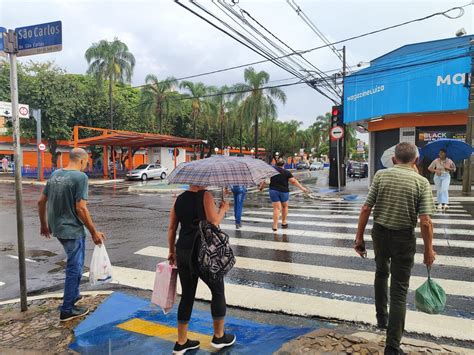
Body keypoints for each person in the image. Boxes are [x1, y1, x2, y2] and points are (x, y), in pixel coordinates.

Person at [354, 142, 436, 355]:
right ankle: (392, 346)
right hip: (403, 238)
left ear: (393, 159)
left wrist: (359, 238)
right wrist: (429, 250)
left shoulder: (381, 176)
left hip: (380, 234)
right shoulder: (421, 182)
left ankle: (382, 318)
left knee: (381, 273)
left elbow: (365, 208)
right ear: (416, 161)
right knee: (399, 290)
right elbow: (425, 221)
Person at [38, 148, 105, 322]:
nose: (86, 166)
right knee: (74, 268)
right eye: (87, 162)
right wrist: (94, 232)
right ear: (82, 160)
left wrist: (44, 225)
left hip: (57, 228)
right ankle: (67, 309)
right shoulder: (80, 177)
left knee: (76, 263)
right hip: (72, 230)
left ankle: (74, 296)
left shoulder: (55, 174)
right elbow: (81, 208)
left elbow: (41, 201)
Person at [167, 186, 236, 354]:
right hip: (202, 252)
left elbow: (172, 228)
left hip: (182, 250)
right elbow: (213, 222)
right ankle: (219, 336)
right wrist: (223, 209)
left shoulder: (180, 199)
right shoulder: (205, 195)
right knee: (218, 290)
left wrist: (171, 251)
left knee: (187, 295)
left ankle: (182, 342)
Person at [259, 158, 309, 232]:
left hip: (273, 191)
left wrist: (261, 187)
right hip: (284, 191)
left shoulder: (271, 171)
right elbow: (293, 181)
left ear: (276, 164)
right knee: (284, 206)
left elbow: (265, 180)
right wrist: (302, 188)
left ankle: (275, 226)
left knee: (276, 208)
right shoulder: (287, 172)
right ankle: (284, 222)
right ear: (284, 164)